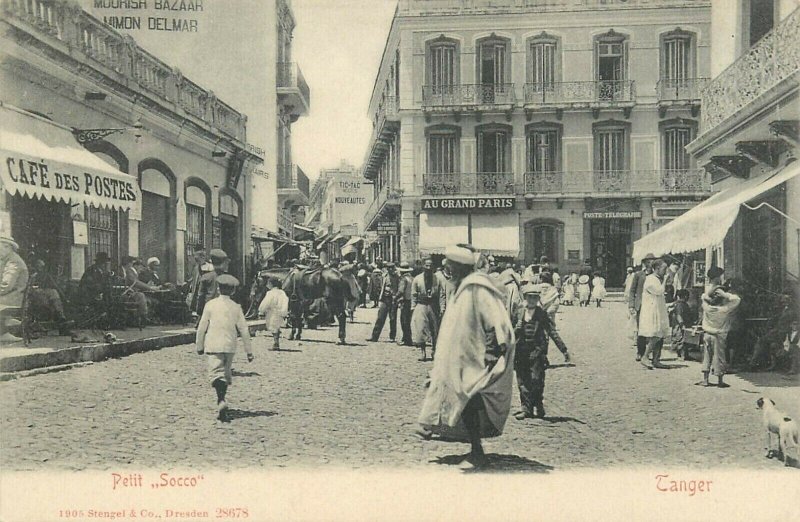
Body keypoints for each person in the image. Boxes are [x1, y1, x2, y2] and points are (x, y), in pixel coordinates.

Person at [417, 244, 515, 470]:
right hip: (461, 359)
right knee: (461, 398)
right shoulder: (460, 288)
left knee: (470, 400)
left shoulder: (478, 289)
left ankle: (477, 452)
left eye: (449, 265)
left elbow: (496, 322)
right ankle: (447, 433)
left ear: (460, 267)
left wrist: (491, 351)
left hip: (477, 360)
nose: (446, 269)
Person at [195, 274, 253, 422]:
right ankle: (222, 399)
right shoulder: (236, 307)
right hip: (229, 346)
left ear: (219, 289)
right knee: (225, 373)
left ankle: (221, 399)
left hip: (213, 344)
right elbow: (244, 330)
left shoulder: (210, 305)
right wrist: (249, 351)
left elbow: (202, 327)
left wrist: (199, 345)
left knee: (215, 373)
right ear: (233, 291)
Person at [513, 283, 564, 420]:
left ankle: (538, 404)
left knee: (536, 380)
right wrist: (515, 330)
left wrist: (563, 350)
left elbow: (552, 332)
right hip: (521, 351)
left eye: (535, 298)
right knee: (522, 381)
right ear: (525, 298)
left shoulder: (542, 314)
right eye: (530, 297)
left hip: (537, 351)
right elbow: (508, 331)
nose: (532, 300)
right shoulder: (518, 313)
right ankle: (526, 409)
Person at [696, 267, 741, 387]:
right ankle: (720, 381)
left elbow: (703, 297)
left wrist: (708, 296)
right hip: (719, 335)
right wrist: (725, 294)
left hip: (707, 334)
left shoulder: (707, 307)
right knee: (719, 357)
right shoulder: (724, 309)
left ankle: (705, 380)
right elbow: (737, 300)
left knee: (706, 356)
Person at [411, 258, 446, 362]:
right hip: (421, 305)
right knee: (421, 329)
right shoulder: (417, 279)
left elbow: (441, 295)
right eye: (426, 265)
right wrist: (413, 307)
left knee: (434, 330)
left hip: (433, 306)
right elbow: (414, 294)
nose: (428, 268)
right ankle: (423, 352)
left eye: (430, 266)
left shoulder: (438, 279)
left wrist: (442, 307)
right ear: (423, 266)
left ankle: (434, 351)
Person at [638, 258, 670, 370]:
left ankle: (656, 359)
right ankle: (645, 356)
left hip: (658, 309)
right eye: (664, 269)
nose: (666, 271)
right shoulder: (650, 279)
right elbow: (659, 291)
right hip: (652, 310)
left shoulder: (656, 279)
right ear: (657, 269)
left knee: (660, 335)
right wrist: (665, 280)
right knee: (655, 335)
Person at [28, 259, 72, 336]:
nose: (40, 268)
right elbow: (28, 288)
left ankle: (61, 317)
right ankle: (61, 319)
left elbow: (55, 286)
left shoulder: (46, 276)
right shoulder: (32, 276)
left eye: (42, 267)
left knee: (53, 293)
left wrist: (65, 298)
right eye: (38, 266)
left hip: (45, 299)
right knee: (52, 295)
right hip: (33, 297)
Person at [0, 236, 29, 343]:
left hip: (11, 298)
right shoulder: (8, 259)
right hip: (8, 297)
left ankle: (2, 332)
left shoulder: (14, 262)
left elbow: (6, 285)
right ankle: (5, 325)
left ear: (7, 247)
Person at [539, 271, 571, 364]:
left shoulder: (537, 288)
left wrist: (540, 312)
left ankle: (544, 357)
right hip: (549, 316)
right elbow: (556, 304)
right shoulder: (553, 290)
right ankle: (564, 351)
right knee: (553, 334)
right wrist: (548, 313)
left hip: (539, 315)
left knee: (541, 337)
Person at [629, 254, 656, 361]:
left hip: (652, 305)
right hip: (641, 305)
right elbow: (632, 291)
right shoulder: (638, 275)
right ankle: (640, 352)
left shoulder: (656, 275)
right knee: (641, 330)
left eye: (652, 262)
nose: (650, 264)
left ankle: (649, 353)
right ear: (644, 263)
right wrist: (631, 305)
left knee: (652, 329)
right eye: (648, 262)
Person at [367, 262, 399, 342]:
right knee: (380, 317)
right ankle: (374, 337)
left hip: (393, 299)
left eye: (392, 268)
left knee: (392, 319)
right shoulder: (384, 276)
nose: (390, 269)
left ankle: (392, 337)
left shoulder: (397, 277)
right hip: (385, 298)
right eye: (388, 268)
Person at [120, 255, 157, 322]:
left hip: (128, 292)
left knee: (146, 298)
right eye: (132, 263)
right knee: (141, 296)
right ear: (128, 263)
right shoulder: (127, 271)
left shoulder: (129, 271)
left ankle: (143, 317)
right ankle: (143, 317)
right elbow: (135, 282)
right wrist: (150, 288)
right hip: (124, 293)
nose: (132, 265)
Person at [196, 249, 229, 319]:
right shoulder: (227, 278)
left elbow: (200, 296)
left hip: (209, 309)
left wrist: (199, 312)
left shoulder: (206, 277)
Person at [258, 276, 289, 351]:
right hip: (280, 312)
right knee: (276, 327)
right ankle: (276, 341)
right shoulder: (282, 292)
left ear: (271, 284)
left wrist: (261, 310)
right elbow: (285, 302)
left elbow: (266, 302)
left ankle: (276, 342)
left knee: (272, 327)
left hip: (272, 312)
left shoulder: (270, 293)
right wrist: (284, 311)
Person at [286, 259, 309, 341]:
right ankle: (299, 332)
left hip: (295, 298)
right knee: (299, 315)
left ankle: (293, 331)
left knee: (294, 315)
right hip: (300, 298)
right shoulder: (298, 273)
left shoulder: (293, 273)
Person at [670, 289, 693, 360]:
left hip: (683, 325)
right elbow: (679, 315)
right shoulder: (680, 305)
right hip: (679, 326)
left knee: (685, 340)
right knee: (681, 340)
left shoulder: (681, 304)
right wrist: (682, 324)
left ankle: (685, 355)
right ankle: (681, 355)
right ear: (685, 296)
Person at [395, 262, 414, 346]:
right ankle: (407, 338)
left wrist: (395, 297)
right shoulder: (412, 278)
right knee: (408, 321)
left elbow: (401, 291)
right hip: (412, 301)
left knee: (404, 321)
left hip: (405, 301)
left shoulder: (403, 279)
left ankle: (406, 339)